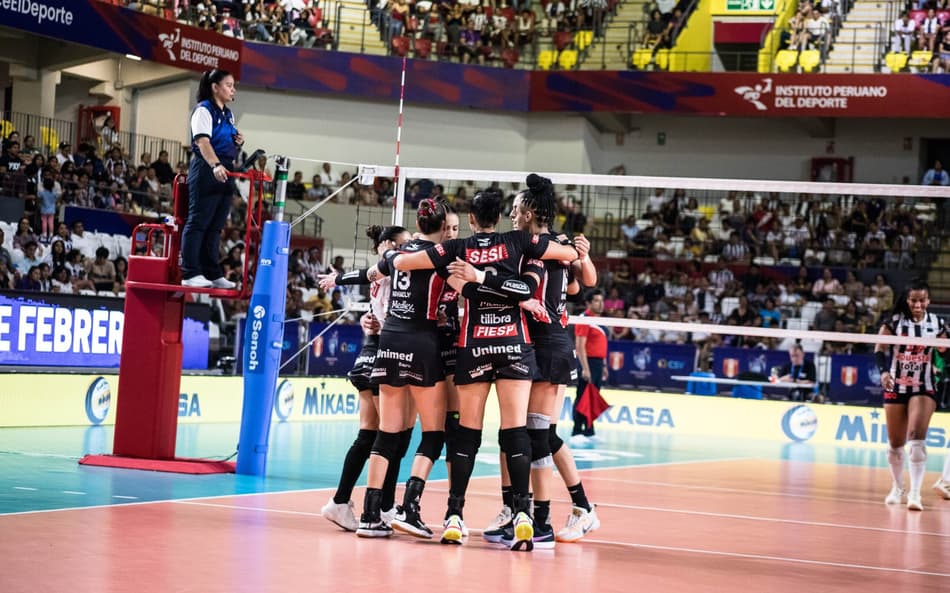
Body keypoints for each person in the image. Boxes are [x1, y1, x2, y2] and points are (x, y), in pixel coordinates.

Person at [393, 186, 580, 550]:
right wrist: (572, 255)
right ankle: (523, 513)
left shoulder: (456, 249)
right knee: (516, 433)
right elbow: (551, 267)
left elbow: (402, 263)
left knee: (467, 434)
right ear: (498, 218)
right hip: (513, 345)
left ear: (472, 220)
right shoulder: (520, 241)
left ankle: (454, 516)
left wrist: (461, 278)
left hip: (474, 345)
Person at [479, 175, 601, 547]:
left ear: (529, 212)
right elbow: (579, 285)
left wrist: (582, 254)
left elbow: (586, 282)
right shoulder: (539, 247)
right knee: (521, 434)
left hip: (549, 343)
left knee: (537, 434)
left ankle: (556, 514)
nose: (512, 216)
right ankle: (522, 512)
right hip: (527, 342)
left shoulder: (549, 245)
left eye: (516, 210)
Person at [319, 224, 411, 533]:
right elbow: (370, 282)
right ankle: (383, 508)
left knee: (369, 435)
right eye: (403, 244)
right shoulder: (390, 271)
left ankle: (341, 502)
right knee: (391, 437)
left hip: (368, 355)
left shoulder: (385, 271)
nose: (408, 250)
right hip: (382, 355)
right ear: (386, 245)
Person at [875, 279, 947, 511]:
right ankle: (899, 487)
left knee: (916, 438)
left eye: (922, 300)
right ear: (907, 300)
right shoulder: (894, 322)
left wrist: (940, 360)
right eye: (913, 300)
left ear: (928, 301)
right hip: (896, 385)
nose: (917, 305)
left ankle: (915, 494)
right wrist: (883, 371)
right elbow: (879, 348)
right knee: (895, 444)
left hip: (923, 386)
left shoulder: (938, 323)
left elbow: (945, 351)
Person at [181, 69, 244, 288]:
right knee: (199, 221)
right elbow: (203, 142)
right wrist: (215, 164)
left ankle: (212, 273)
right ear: (215, 87)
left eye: (233, 84)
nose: (232, 89)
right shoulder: (203, 111)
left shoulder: (228, 113)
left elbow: (224, 141)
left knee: (216, 225)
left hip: (225, 168)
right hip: (207, 167)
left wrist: (237, 141)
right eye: (228, 84)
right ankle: (190, 272)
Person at [572, 289, 608, 445]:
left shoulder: (601, 320)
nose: (600, 304)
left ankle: (589, 430)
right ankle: (577, 431)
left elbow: (601, 344)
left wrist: (604, 365)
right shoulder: (584, 319)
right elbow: (580, 346)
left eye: (601, 300)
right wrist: (585, 368)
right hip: (588, 362)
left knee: (593, 398)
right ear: (588, 303)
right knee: (583, 396)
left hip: (598, 363)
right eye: (596, 300)